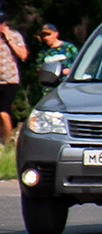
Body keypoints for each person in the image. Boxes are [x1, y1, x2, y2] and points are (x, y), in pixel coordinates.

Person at [0, 13, 29, 143]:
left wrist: (9, 39)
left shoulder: (14, 36)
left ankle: (7, 142)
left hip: (8, 80)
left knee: (3, 112)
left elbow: (23, 55)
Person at [36, 23, 78, 88]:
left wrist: (66, 71)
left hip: (67, 85)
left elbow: (79, 65)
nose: (46, 38)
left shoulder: (69, 48)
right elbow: (39, 70)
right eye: (44, 35)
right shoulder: (43, 52)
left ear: (56, 34)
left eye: (48, 35)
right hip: (49, 88)